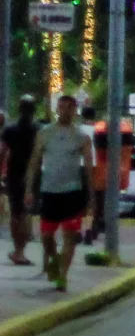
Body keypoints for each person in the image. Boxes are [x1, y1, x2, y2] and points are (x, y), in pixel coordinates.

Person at [30, 95, 92, 292]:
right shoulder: (44, 134)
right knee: (46, 235)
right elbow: (35, 163)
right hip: (49, 191)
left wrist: (90, 197)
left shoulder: (82, 137)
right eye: (61, 106)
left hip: (72, 192)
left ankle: (62, 276)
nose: (64, 111)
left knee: (69, 236)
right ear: (57, 108)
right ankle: (55, 260)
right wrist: (29, 189)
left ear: (75, 111)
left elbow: (89, 169)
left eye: (69, 107)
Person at [2, 94, 35, 265]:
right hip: (34, 175)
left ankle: (19, 251)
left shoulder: (10, 130)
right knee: (26, 212)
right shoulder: (38, 129)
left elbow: (2, 152)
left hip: (15, 174)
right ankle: (21, 251)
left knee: (16, 214)